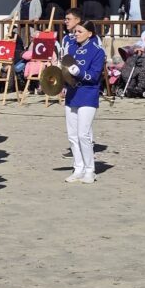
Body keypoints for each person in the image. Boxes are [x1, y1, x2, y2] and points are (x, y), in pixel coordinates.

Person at [60, 20, 106, 183]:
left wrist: (79, 72)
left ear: (90, 33)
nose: (76, 34)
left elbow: (94, 76)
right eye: (75, 32)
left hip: (88, 94)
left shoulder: (97, 51)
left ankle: (89, 170)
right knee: (72, 135)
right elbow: (65, 71)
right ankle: (78, 168)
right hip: (72, 94)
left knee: (83, 134)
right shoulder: (71, 47)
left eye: (80, 31)